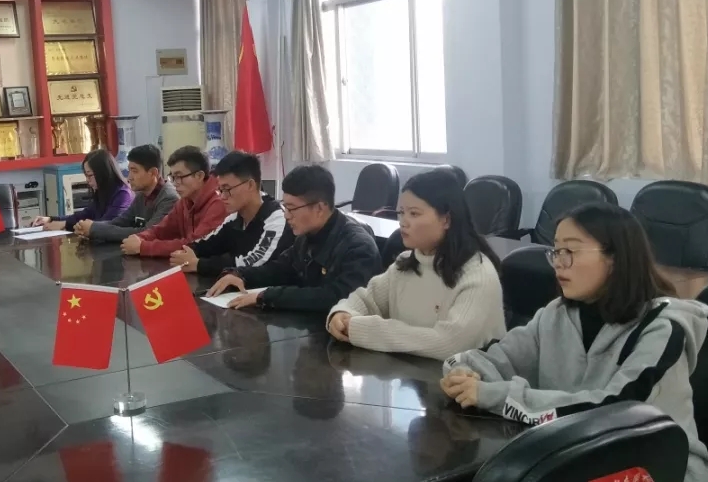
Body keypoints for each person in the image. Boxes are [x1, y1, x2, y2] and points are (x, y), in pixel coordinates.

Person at [440, 203, 708, 482]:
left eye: (571, 251)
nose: (558, 263)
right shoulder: (557, 313)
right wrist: (464, 371)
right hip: (572, 458)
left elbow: (613, 410)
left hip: (647, 476)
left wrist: (493, 394)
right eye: (556, 251)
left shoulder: (663, 327)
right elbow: (496, 356)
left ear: (616, 258)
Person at [326, 169, 504, 361]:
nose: (403, 222)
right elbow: (366, 299)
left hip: (464, 378)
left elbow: (449, 344)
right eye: (401, 213)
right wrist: (342, 313)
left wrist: (363, 329)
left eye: (414, 213)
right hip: (407, 376)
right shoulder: (405, 264)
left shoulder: (478, 274)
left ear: (446, 219)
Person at [207, 164, 382, 312]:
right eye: (285, 208)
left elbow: (335, 297)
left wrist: (267, 296)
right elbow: (280, 268)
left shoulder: (358, 247)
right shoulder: (306, 236)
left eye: (291, 209)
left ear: (319, 208)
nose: (286, 216)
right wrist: (240, 274)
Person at [170, 151, 292, 276]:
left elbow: (252, 263)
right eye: (220, 190)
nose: (222, 197)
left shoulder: (276, 219)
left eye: (227, 189)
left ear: (250, 185)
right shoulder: (234, 218)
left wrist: (199, 265)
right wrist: (186, 253)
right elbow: (206, 244)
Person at [121, 146, 227, 258]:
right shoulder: (185, 201)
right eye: (173, 177)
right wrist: (139, 238)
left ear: (199, 176)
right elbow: (161, 230)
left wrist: (144, 247)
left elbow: (194, 244)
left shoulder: (219, 203)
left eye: (179, 176)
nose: (175, 183)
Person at [75, 145, 178, 242]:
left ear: (153, 173)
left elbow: (147, 233)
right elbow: (120, 222)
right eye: (129, 171)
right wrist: (88, 228)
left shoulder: (169, 199)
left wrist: (94, 229)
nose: (129, 177)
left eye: (134, 171)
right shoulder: (141, 195)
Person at [34, 148, 134, 231]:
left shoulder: (123, 194)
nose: (87, 180)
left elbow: (107, 224)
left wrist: (65, 224)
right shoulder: (102, 191)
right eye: (86, 175)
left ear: (103, 173)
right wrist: (51, 219)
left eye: (90, 175)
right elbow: (86, 214)